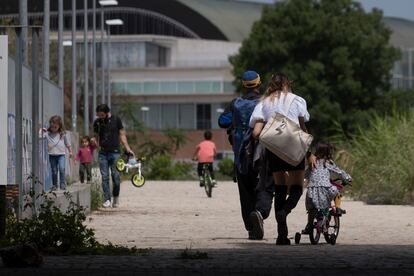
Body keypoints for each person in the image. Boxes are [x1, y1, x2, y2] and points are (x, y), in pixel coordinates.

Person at [250, 73, 312, 245]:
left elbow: (255, 132)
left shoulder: (264, 102)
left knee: (280, 187)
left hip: (274, 149)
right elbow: (302, 126)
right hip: (294, 146)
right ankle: (284, 211)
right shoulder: (298, 100)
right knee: (297, 187)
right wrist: (309, 151)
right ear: (287, 84)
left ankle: (281, 236)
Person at [218, 70, 274, 240]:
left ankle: (251, 227)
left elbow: (222, 121)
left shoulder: (236, 103)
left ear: (243, 85)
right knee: (264, 186)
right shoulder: (265, 103)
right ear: (259, 84)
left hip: (241, 155)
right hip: (262, 153)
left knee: (245, 192)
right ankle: (260, 212)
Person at [302, 141, 352, 234]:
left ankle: (309, 225)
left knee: (311, 210)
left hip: (311, 190)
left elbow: (306, 175)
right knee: (336, 192)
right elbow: (339, 172)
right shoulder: (328, 162)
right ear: (328, 152)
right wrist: (348, 178)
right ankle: (337, 208)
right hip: (325, 189)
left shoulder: (312, 162)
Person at [93, 104, 134, 208]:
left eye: (102, 115)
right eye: (98, 115)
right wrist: (95, 143)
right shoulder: (97, 123)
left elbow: (122, 134)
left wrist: (127, 148)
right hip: (103, 153)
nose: (100, 117)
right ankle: (107, 199)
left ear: (107, 113)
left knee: (116, 177)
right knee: (105, 177)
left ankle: (115, 197)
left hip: (115, 153)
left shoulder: (116, 120)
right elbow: (96, 137)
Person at [42, 115, 73, 191]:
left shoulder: (62, 134)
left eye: (55, 127)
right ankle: (55, 185)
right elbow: (40, 137)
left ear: (59, 126)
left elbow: (67, 143)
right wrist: (41, 131)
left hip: (61, 154)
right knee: (54, 171)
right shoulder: (48, 133)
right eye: (52, 127)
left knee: (62, 169)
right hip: (52, 155)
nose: (53, 129)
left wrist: (70, 151)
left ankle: (62, 184)